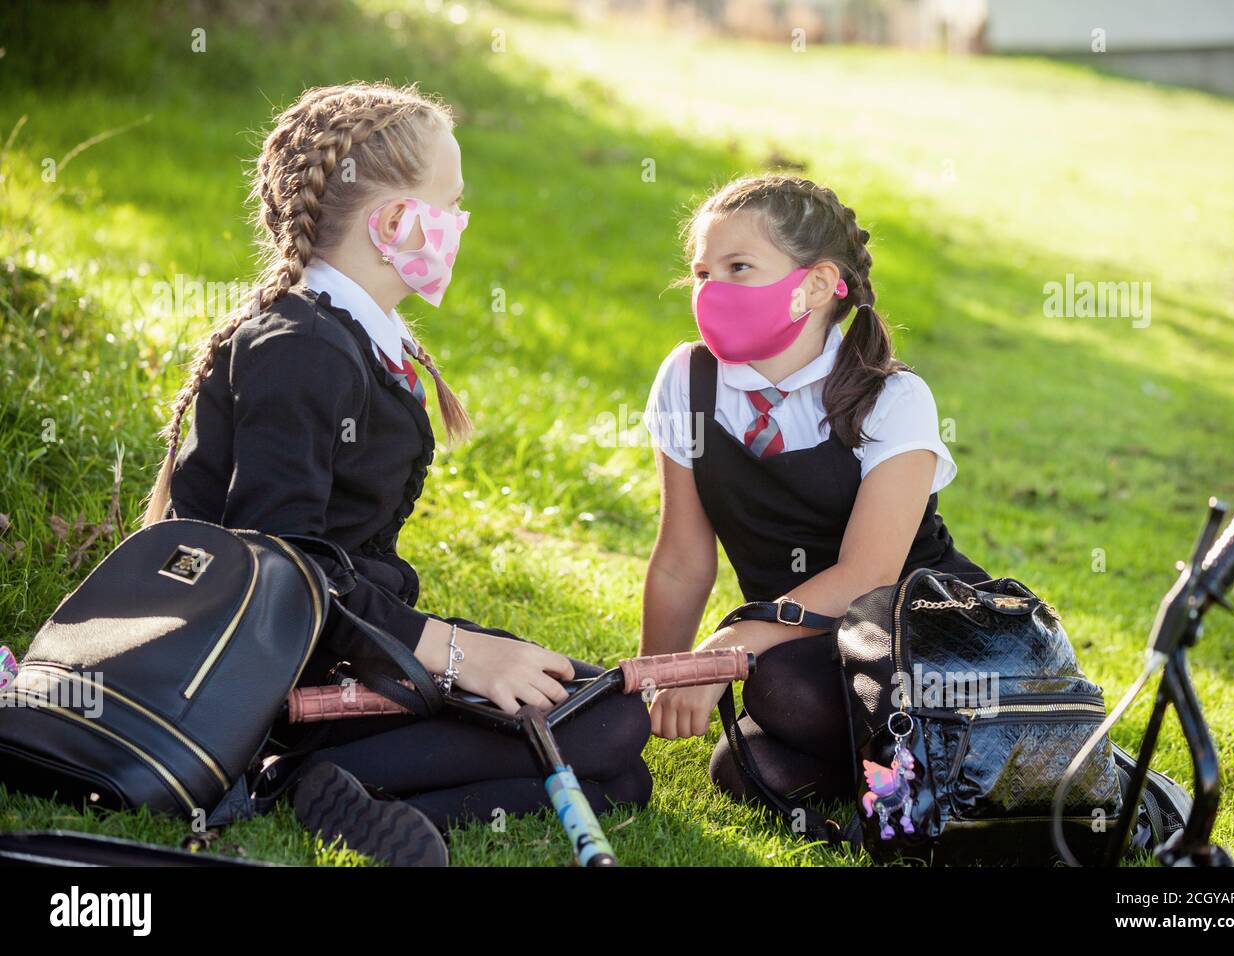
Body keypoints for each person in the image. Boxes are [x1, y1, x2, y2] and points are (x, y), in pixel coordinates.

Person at [143, 82, 650, 864]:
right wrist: (453, 651)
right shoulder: (301, 348)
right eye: (448, 203)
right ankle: (302, 774)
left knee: (613, 739)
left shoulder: (347, 332)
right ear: (392, 223)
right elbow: (284, 570)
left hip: (355, 637)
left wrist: (449, 650)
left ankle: (344, 783)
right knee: (604, 729)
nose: (459, 223)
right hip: (274, 675)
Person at [640, 174, 986, 808]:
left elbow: (868, 575)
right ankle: (903, 782)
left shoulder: (892, 397)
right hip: (799, 643)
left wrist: (726, 646)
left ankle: (986, 752)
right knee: (747, 769)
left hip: (910, 635)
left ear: (819, 286)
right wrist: (655, 683)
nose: (712, 289)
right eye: (701, 273)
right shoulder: (687, 380)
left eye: (738, 267)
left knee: (779, 691)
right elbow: (682, 558)